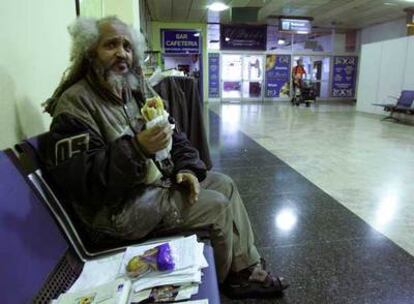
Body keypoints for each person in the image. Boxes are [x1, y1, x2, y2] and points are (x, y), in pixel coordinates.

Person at [40, 16, 288, 299]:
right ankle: (222, 281)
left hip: (151, 187)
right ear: (90, 52)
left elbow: (175, 135)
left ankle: (246, 268)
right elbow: (83, 183)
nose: (122, 52)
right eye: (111, 45)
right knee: (216, 206)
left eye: (127, 46)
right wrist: (137, 149)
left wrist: (187, 169)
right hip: (114, 212)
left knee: (224, 184)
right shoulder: (75, 104)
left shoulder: (134, 90)